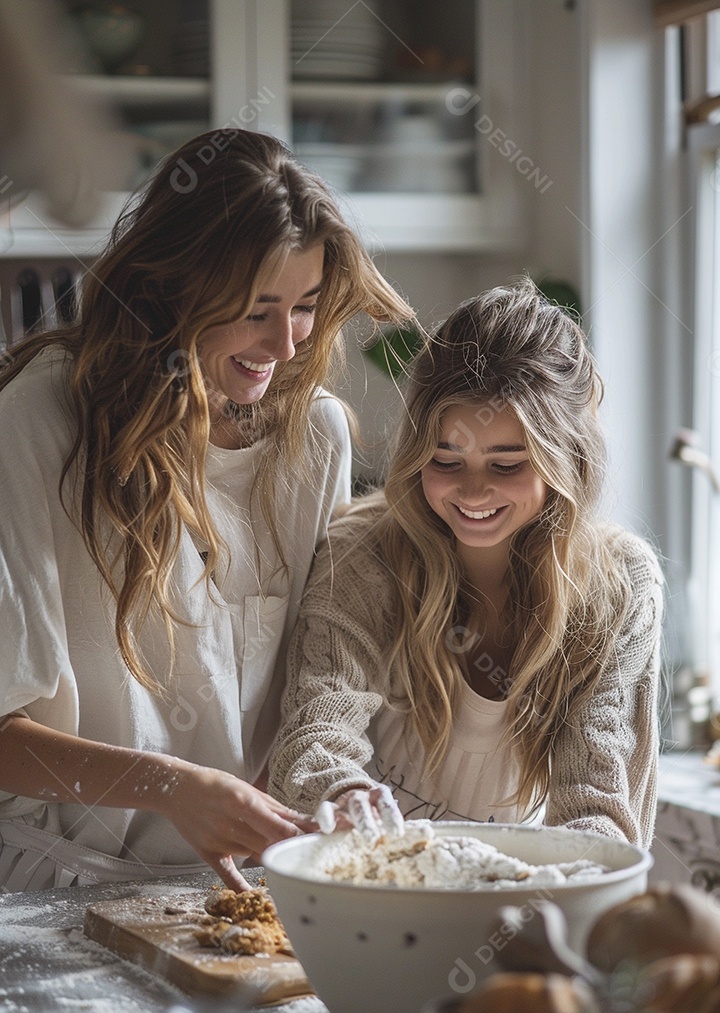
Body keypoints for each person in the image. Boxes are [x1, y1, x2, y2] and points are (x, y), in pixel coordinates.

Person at [0, 128, 414, 892]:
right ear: (175, 287)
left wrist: (335, 788)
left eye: (306, 308)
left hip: (230, 885)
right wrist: (171, 787)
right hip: (48, 885)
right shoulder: (40, 422)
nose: (286, 346)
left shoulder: (311, 436)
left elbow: (315, 680)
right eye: (259, 311)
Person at [269, 278, 664, 849]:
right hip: (372, 886)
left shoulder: (620, 586)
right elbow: (315, 734)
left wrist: (571, 881)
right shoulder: (363, 556)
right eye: (446, 459)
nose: (473, 493)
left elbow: (599, 800)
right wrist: (346, 799)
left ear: (568, 460)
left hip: (517, 899)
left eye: (507, 466)